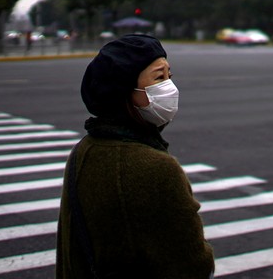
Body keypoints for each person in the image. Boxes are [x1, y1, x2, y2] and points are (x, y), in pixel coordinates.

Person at [56, 34, 215, 278]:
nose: (170, 87)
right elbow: (193, 266)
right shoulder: (157, 168)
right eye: (158, 78)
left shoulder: (83, 150)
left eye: (169, 76)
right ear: (124, 91)